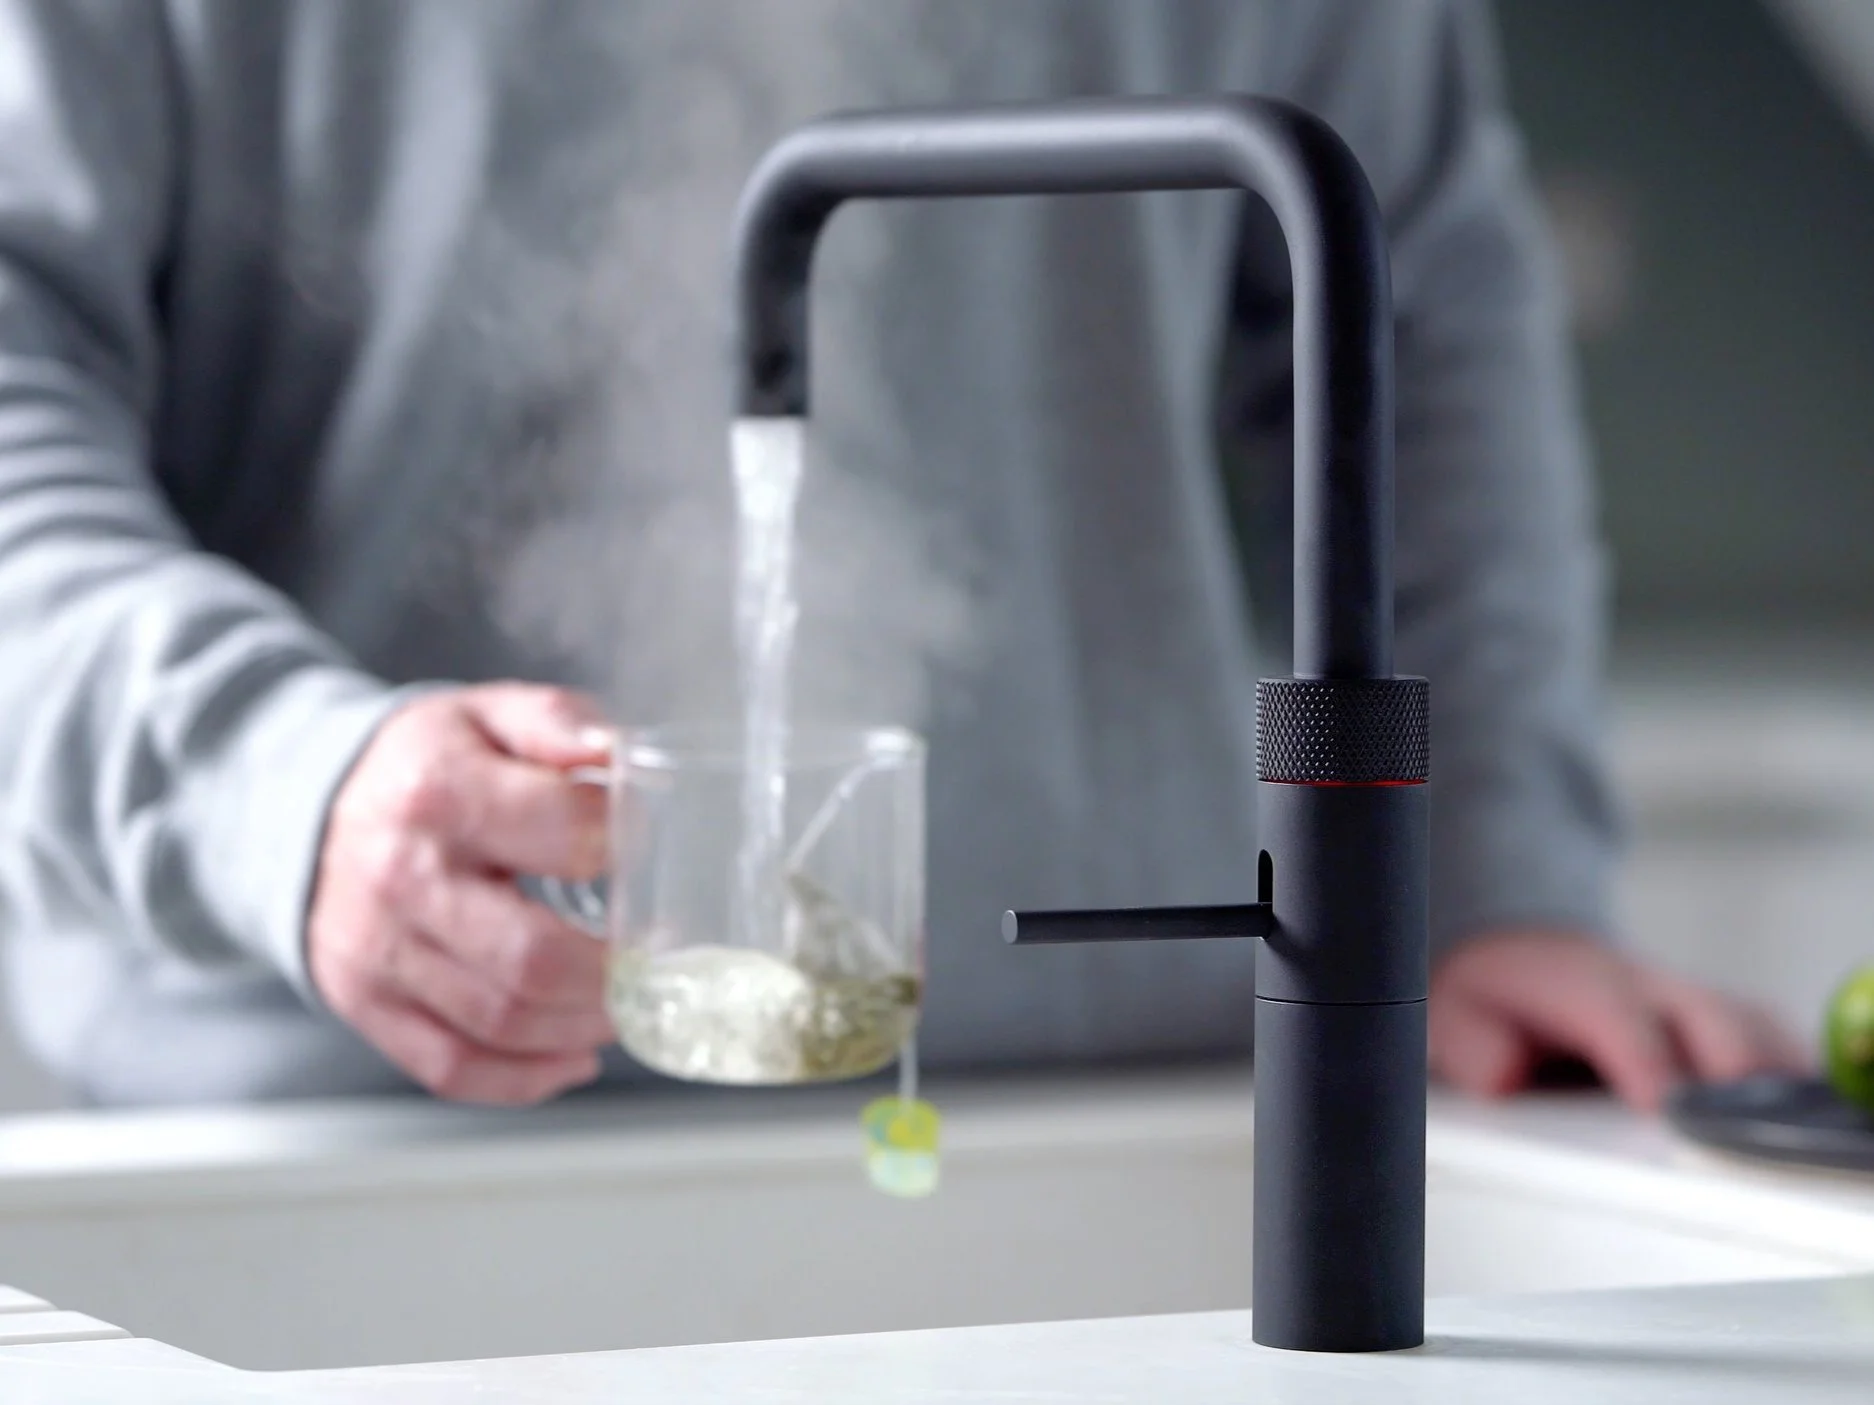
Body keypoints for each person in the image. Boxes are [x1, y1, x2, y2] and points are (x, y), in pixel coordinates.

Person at [0, 0, 1800, 1108]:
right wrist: (271, 786)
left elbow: (1413, 303)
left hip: (1135, 1109)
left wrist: (1485, 875)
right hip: (334, 1126)